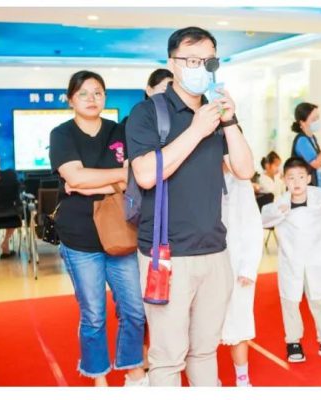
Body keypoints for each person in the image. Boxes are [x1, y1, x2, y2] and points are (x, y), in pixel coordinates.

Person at [125, 26, 255, 386]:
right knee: (168, 357)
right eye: (192, 60)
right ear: (173, 63)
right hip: (167, 253)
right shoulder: (147, 113)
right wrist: (196, 130)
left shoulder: (216, 113)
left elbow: (245, 169)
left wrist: (229, 120)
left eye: (208, 61)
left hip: (214, 249)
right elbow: (146, 174)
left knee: (205, 350)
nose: (201, 68)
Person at [48, 70, 147, 386]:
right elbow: (75, 178)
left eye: (98, 93)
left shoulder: (119, 131)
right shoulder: (62, 134)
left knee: (134, 310)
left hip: (121, 233)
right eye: (83, 93)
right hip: (79, 238)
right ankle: (98, 376)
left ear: (105, 97)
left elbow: (133, 174)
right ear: (70, 100)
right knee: (93, 315)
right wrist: (115, 176)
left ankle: (133, 368)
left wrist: (90, 182)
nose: (91, 99)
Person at [261, 157, 321, 364]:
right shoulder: (281, 202)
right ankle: (293, 341)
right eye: (291, 178)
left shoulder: (320, 196)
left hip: (316, 260)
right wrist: (278, 212)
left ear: (309, 178)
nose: (296, 182)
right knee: (290, 301)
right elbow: (264, 219)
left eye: (301, 177)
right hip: (291, 260)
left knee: (319, 301)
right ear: (284, 180)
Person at [220, 166, 264, 386]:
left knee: (239, 323)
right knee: (200, 328)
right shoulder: (198, 174)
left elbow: (253, 226)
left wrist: (248, 267)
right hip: (203, 262)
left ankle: (242, 378)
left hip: (236, 263)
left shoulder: (240, 182)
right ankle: (205, 379)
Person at [290, 102, 321, 188]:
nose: (317, 122)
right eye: (314, 119)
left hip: (316, 187)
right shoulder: (302, 141)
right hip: (305, 189)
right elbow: (316, 163)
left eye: (317, 118)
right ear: (302, 122)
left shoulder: (312, 138)